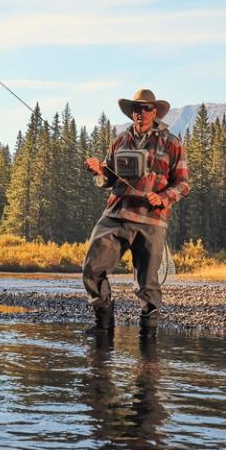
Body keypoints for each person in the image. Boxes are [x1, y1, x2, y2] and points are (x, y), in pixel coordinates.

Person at [82, 88, 189, 343]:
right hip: (116, 213)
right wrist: (98, 171)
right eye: (137, 108)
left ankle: (148, 338)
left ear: (155, 112)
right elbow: (107, 179)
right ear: (132, 112)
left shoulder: (172, 143)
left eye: (147, 108)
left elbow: (183, 184)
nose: (141, 112)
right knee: (91, 268)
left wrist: (162, 197)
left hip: (151, 220)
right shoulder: (119, 141)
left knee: (148, 284)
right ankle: (103, 326)